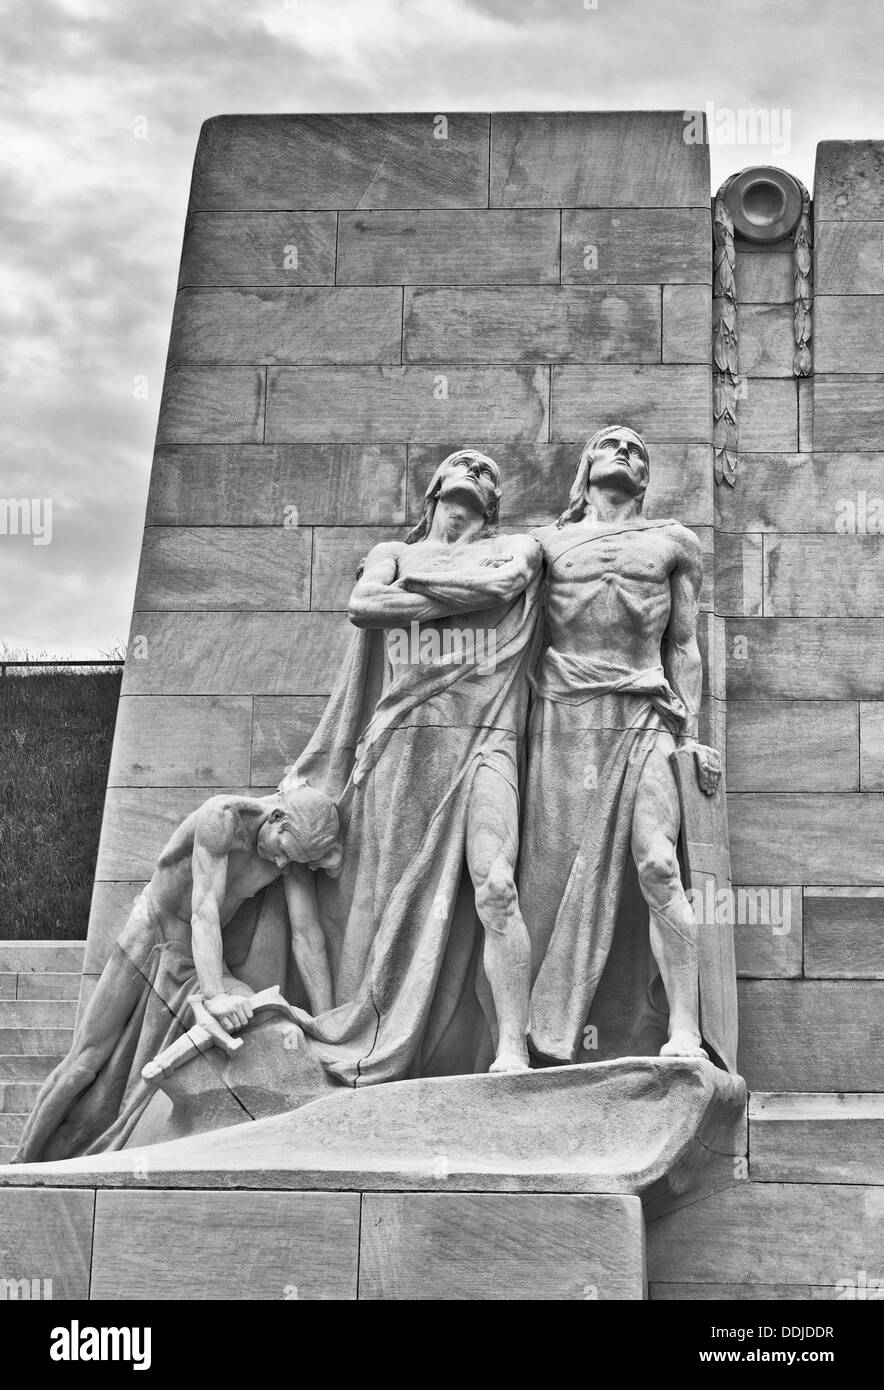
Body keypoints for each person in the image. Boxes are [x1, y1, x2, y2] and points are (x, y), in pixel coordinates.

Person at [284, 449, 543, 1082]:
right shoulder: (389, 553)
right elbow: (363, 606)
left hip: (488, 737)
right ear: (433, 491)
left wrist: (415, 584)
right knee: (386, 903)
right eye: (462, 464)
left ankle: (513, 1047)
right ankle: (374, 1040)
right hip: (404, 741)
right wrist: (444, 591)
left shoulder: (518, 548)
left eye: (486, 473)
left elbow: (500, 586)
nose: (474, 471)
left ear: (493, 505)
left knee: (497, 882)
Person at [521, 425, 730, 1067]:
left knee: (659, 865)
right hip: (564, 718)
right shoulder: (547, 545)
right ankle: (529, 1037)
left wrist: (691, 737)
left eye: (640, 451)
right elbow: (492, 604)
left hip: (647, 711)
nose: (628, 454)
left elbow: (686, 645)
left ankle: (686, 1033)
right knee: (547, 881)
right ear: (587, 466)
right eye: (614, 445)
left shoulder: (672, 544)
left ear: (646, 478)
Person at [15, 783, 342, 1161]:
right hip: (150, 935)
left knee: (266, 1023)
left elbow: (307, 937)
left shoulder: (292, 849)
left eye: (294, 860)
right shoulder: (221, 819)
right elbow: (205, 910)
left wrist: (325, 1024)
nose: (283, 865)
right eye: (284, 852)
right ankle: (19, 1164)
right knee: (85, 1063)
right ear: (276, 818)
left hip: (204, 959)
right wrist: (215, 995)